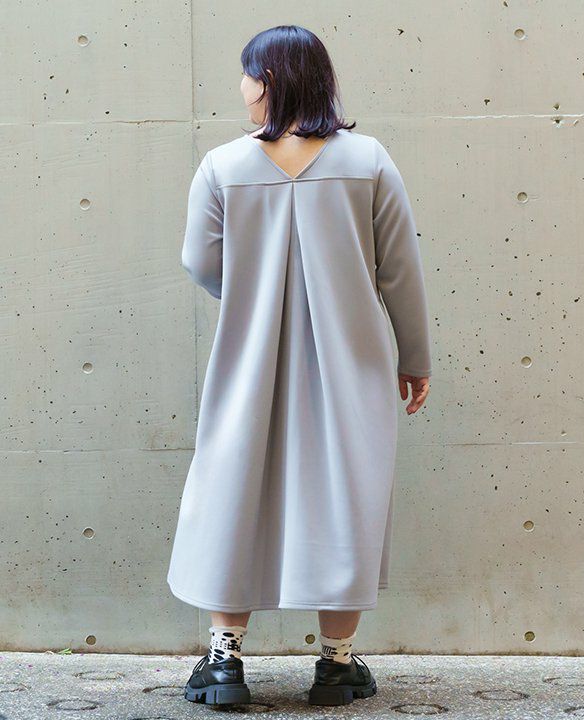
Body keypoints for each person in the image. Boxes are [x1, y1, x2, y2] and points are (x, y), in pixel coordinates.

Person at [166, 24, 433, 708]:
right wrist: (414, 356)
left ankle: (224, 661)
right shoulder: (369, 160)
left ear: (270, 80)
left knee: (232, 487)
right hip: (353, 364)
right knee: (347, 491)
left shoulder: (222, 166)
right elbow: (400, 270)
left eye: (248, 74)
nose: (242, 87)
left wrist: (255, 296)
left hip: (247, 360)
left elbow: (199, 260)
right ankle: (337, 663)